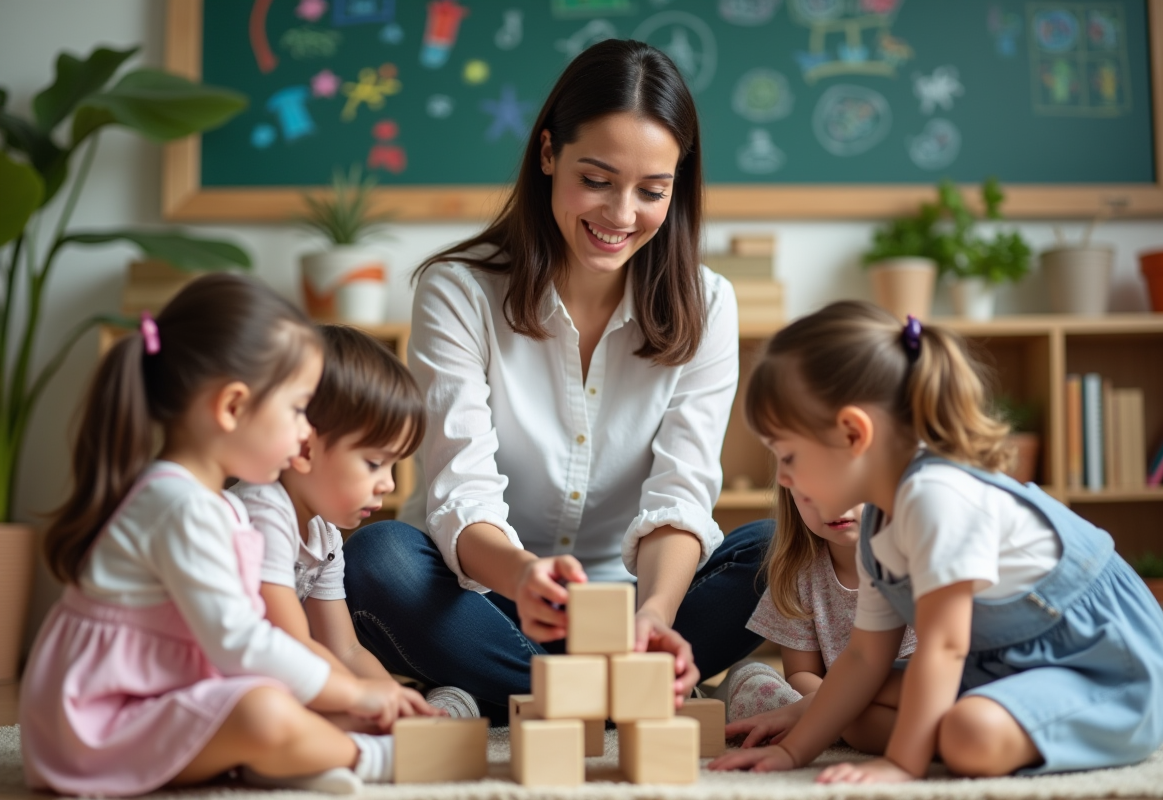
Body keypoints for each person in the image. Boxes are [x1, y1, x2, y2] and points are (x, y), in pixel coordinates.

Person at [344, 39, 770, 722]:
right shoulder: (457, 291)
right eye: (596, 180)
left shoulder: (709, 302)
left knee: (778, 550)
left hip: (631, 602)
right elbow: (460, 488)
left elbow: (681, 492)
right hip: (493, 595)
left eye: (651, 191)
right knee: (377, 558)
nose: (621, 215)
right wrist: (522, 577)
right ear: (548, 153)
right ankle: (612, 697)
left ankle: (515, 690)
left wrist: (654, 619)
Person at [710, 301, 1163, 781]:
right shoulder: (878, 528)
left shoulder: (938, 497)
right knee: (852, 709)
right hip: (1004, 668)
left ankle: (973, 732)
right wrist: (793, 754)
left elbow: (944, 645)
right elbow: (865, 657)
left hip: (1105, 671)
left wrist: (901, 763)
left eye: (788, 456)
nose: (783, 479)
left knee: (967, 734)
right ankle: (978, 725)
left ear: (852, 433)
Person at [21, 276, 408, 796]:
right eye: (297, 409)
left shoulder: (214, 505)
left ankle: (296, 757)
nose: (304, 432)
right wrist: (357, 697)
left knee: (285, 698)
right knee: (267, 711)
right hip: (98, 728)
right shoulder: (179, 507)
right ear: (232, 407)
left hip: (156, 701)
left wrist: (362, 697)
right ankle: (375, 758)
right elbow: (240, 643)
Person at [230, 324, 473, 719]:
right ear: (305, 450)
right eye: (374, 463)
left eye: (393, 465)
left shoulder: (324, 534)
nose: (388, 484)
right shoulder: (261, 514)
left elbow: (344, 649)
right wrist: (364, 701)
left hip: (270, 670)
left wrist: (395, 699)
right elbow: (290, 646)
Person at [717, 495, 915, 750]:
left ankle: (819, 720)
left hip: (907, 699)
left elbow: (915, 680)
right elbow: (801, 673)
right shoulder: (797, 573)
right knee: (752, 679)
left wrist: (827, 708)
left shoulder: (914, 567)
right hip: (842, 704)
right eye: (809, 495)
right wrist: (831, 706)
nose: (833, 504)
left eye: (850, 490)